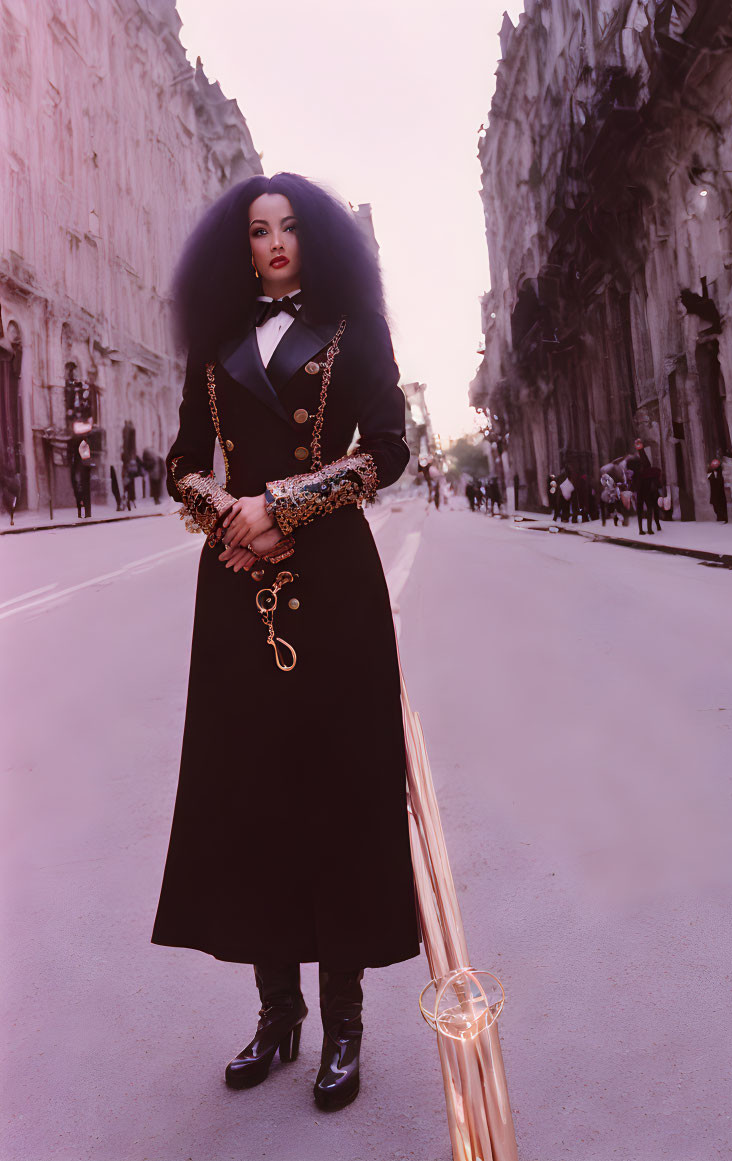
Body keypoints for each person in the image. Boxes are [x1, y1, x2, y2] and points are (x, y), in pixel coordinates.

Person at [150, 172, 422, 1115]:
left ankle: (344, 1022)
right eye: (258, 230)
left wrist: (286, 504)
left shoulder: (355, 329)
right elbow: (180, 458)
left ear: (316, 242)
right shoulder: (216, 342)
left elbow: (388, 446)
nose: (274, 244)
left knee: (337, 795)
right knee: (251, 794)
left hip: (332, 583)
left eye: (290, 228)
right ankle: (278, 1013)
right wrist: (226, 510)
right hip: (234, 582)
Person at [707, 459, 728, 523]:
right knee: (715, 504)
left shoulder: (720, 471)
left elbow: (721, 479)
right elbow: (709, 478)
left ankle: (723, 517)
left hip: (720, 491)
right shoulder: (710, 472)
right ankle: (719, 517)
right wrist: (711, 471)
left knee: (721, 504)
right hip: (714, 491)